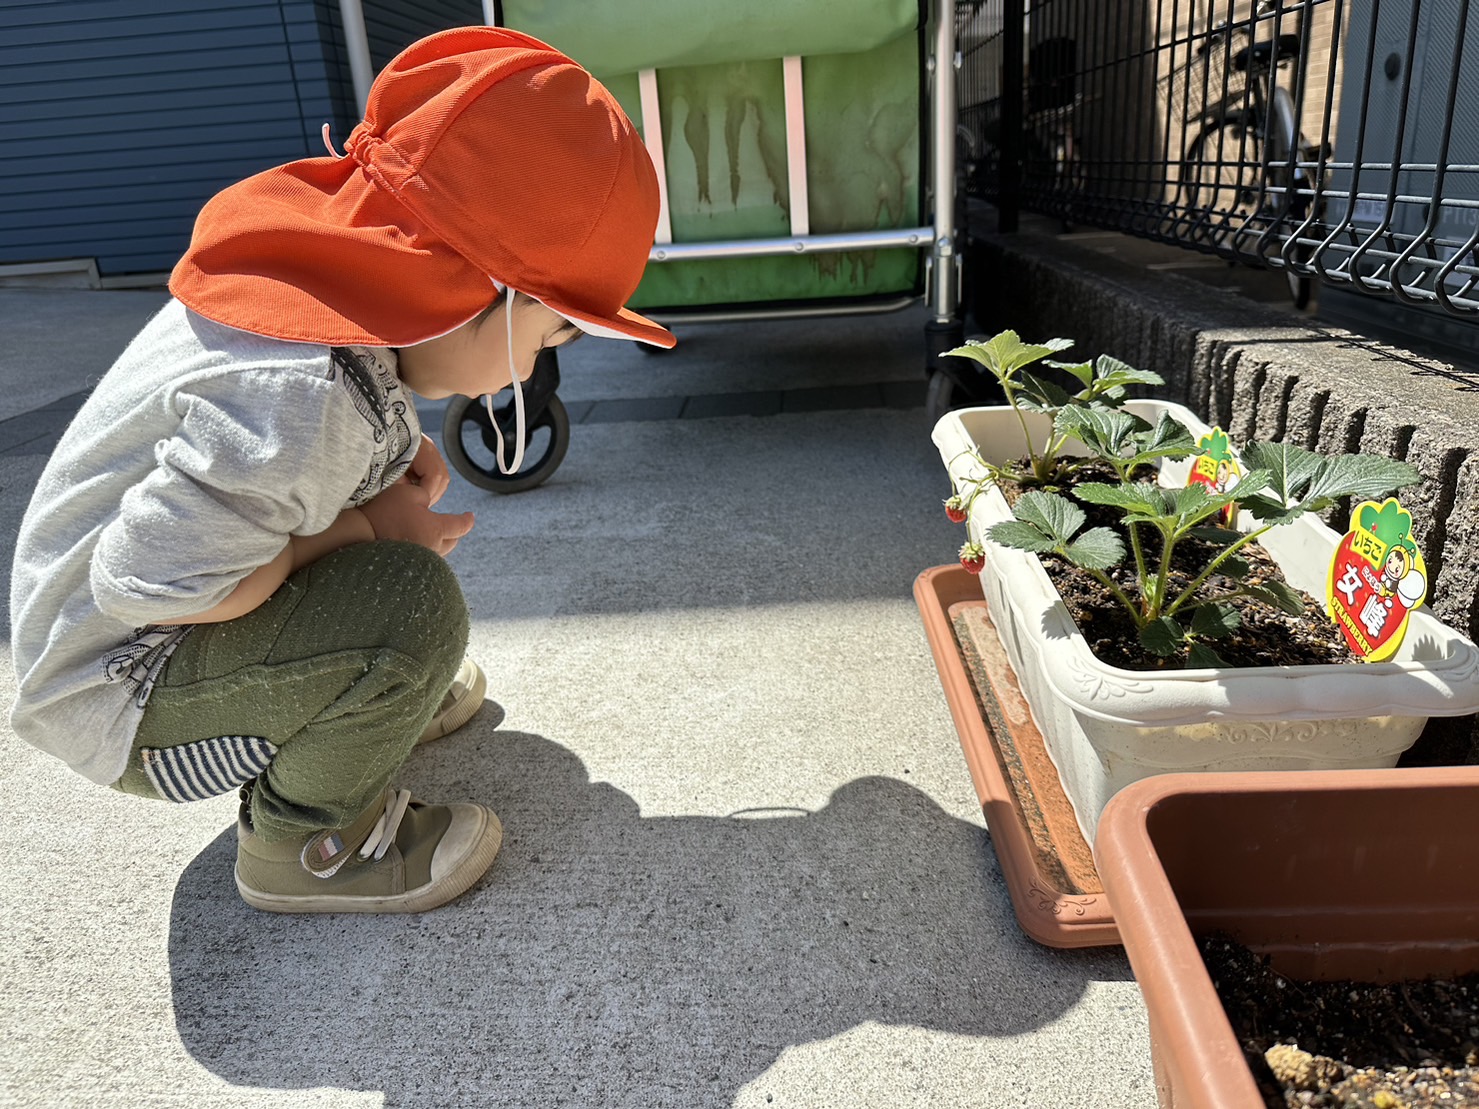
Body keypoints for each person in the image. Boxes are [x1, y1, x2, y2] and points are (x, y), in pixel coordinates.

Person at [7, 27, 675, 914]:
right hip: (120, 696)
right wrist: (368, 527)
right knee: (407, 611)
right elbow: (152, 583)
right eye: (554, 333)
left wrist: (383, 469)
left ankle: (353, 700)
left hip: (150, 639)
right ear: (491, 297)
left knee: (397, 608)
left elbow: (300, 461)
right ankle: (305, 841)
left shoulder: (330, 302)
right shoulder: (299, 399)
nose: (538, 367)